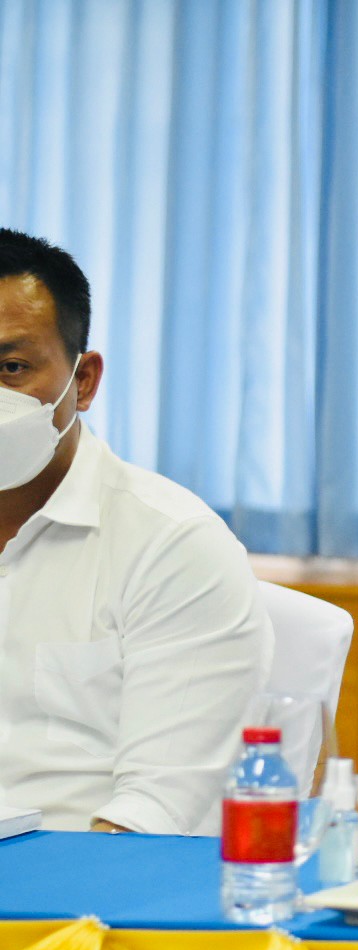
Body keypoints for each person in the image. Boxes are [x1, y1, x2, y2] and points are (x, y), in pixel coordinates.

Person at [0, 229, 271, 833]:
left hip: (79, 878)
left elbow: (158, 811)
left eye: (11, 368)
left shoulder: (172, 546)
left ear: (84, 381)